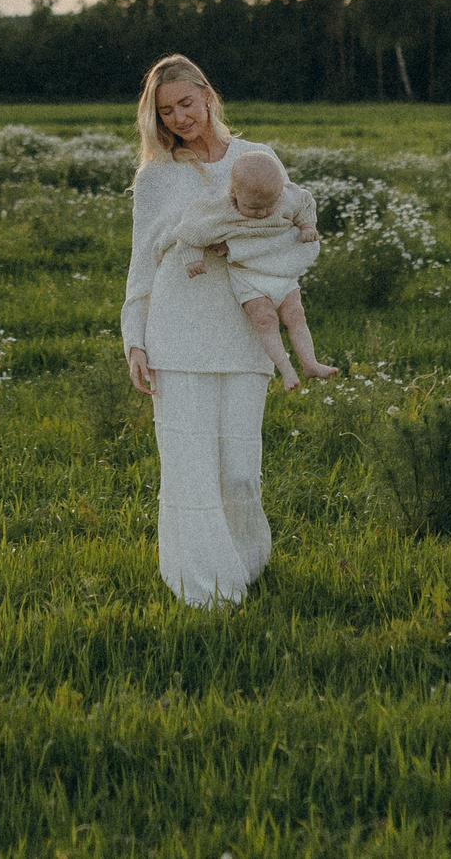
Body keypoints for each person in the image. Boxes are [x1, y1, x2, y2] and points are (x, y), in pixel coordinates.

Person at [120, 53, 285, 608]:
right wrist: (135, 339)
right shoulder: (156, 176)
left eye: (186, 104)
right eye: (166, 112)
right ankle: (206, 590)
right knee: (189, 469)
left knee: (239, 473)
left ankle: (246, 568)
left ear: (208, 96)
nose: (179, 118)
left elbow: (288, 232)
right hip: (176, 332)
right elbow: (142, 263)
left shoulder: (257, 159)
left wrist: (236, 244)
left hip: (242, 332)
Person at [172, 150, 338, 390]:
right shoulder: (218, 208)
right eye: (253, 207)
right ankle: (287, 370)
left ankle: (310, 363)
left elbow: (305, 203)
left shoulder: (286, 198)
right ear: (233, 192)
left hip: (279, 270)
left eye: (268, 206)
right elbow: (190, 229)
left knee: (296, 315)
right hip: (248, 277)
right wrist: (193, 258)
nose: (262, 213)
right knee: (265, 320)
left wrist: (307, 226)